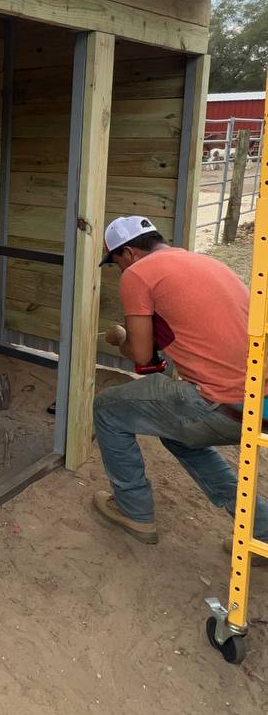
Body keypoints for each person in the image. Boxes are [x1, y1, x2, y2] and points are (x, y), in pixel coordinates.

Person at [91, 214, 268, 553]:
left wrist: (123, 339)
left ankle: (134, 511)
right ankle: (262, 529)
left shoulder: (138, 274)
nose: (120, 271)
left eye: (115, 262)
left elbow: (142, 357)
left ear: (128, 253)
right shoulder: (201, 262)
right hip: (260, 404)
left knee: (107, 408)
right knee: (179, 435)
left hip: (222, 404)